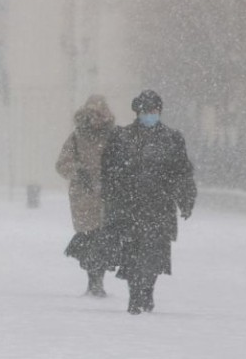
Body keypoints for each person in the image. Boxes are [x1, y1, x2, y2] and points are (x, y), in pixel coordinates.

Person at [101, 90, 197, 314]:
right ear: (137, 112)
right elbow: (108, 170)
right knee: (133, 253)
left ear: (160, 111)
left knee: (154, 253)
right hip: (129, 206)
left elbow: (182, 171)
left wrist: (186, 199)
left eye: (154, 110)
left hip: (159, 205)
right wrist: (111, 196)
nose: (150, 115)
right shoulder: (121, 137)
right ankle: (135, 294)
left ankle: (148, 290)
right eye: (145, 111)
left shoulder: (172, 139)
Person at [56, 95, 118, 297]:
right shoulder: (76, 138)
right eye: (91, 115)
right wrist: (78, 171)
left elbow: (126, 162)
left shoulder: (115, 137)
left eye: (99, 115)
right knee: (88, 240)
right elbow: (62, 164)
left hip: (108, 198)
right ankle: (92, 280)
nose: (95, 119)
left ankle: (97, 281)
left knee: (103, 241)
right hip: (83, 198)